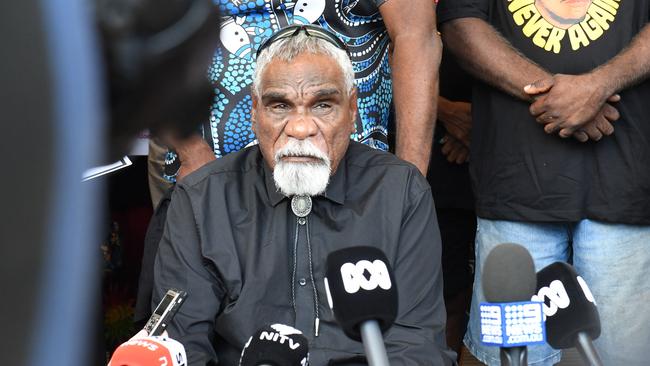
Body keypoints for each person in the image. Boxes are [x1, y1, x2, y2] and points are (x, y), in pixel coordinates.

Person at [151, 28, 455, 365]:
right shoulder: (201, 199)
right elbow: (180, 347)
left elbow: (416, 346)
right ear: (254, 112)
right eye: (280, 106)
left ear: (352, 110)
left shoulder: (400, 192)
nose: (300, 128)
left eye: (322, 105)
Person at [438, 1, 650, 365]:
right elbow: (460, 23)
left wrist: (599, 85)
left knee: (619, 359)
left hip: (623, 188)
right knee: (509, 358)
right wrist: (556, 95)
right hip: (515, 189)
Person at [160, 0, 440, 185]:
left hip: (352, 182)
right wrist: (192, 152)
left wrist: (410, 179)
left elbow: (416, 36)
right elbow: (149, 33)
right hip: (210, 173)